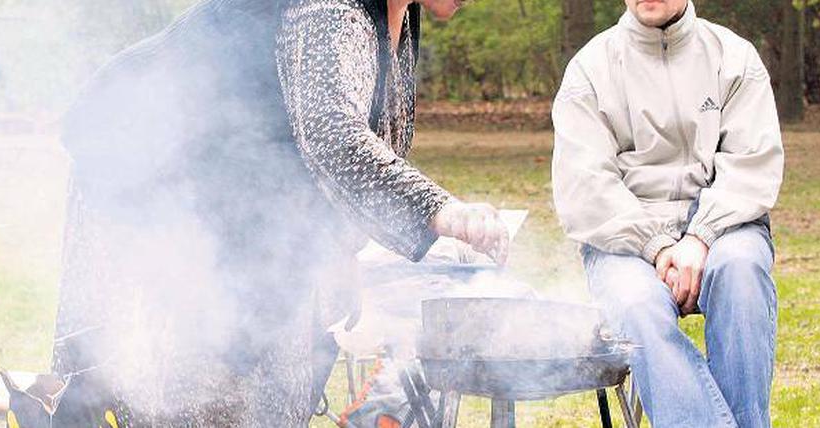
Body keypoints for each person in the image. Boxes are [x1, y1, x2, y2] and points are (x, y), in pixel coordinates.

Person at [54, 0, 506, 426]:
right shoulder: (330, 9)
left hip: (246, 204)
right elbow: (332, 134)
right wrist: (440, 210)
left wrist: (339, 251)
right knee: (189, 387)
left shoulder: (397, 16)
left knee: (275, 382)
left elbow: (367, 141)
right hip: (151, 177)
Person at [551, 0, 784, 426]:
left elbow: (752, 164)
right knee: (637, 306)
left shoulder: (734, 58)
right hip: (625, 238)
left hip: (724, 225)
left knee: (741, 272)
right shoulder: (589, 70)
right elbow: (585, 187)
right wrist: (657, 247)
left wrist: (700, 236)